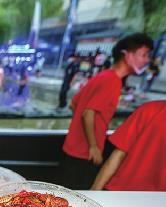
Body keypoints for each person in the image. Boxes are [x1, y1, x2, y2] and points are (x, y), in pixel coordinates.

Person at [60, 33, 153, 190]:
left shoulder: (102, 76)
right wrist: (93, 146)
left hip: (71, 150)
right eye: (143, 54)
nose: (147, 60)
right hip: (84, 154)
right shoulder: (112, 81)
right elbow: (88, 112)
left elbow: (74, 105)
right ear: (127, 55)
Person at [91, 101, 166, 191]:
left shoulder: (150, 109)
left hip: (121, 192)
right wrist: (94, 192)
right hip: (123, 192)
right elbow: (118, 155)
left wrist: (94, 192)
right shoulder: (150, 109)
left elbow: (118, 155)